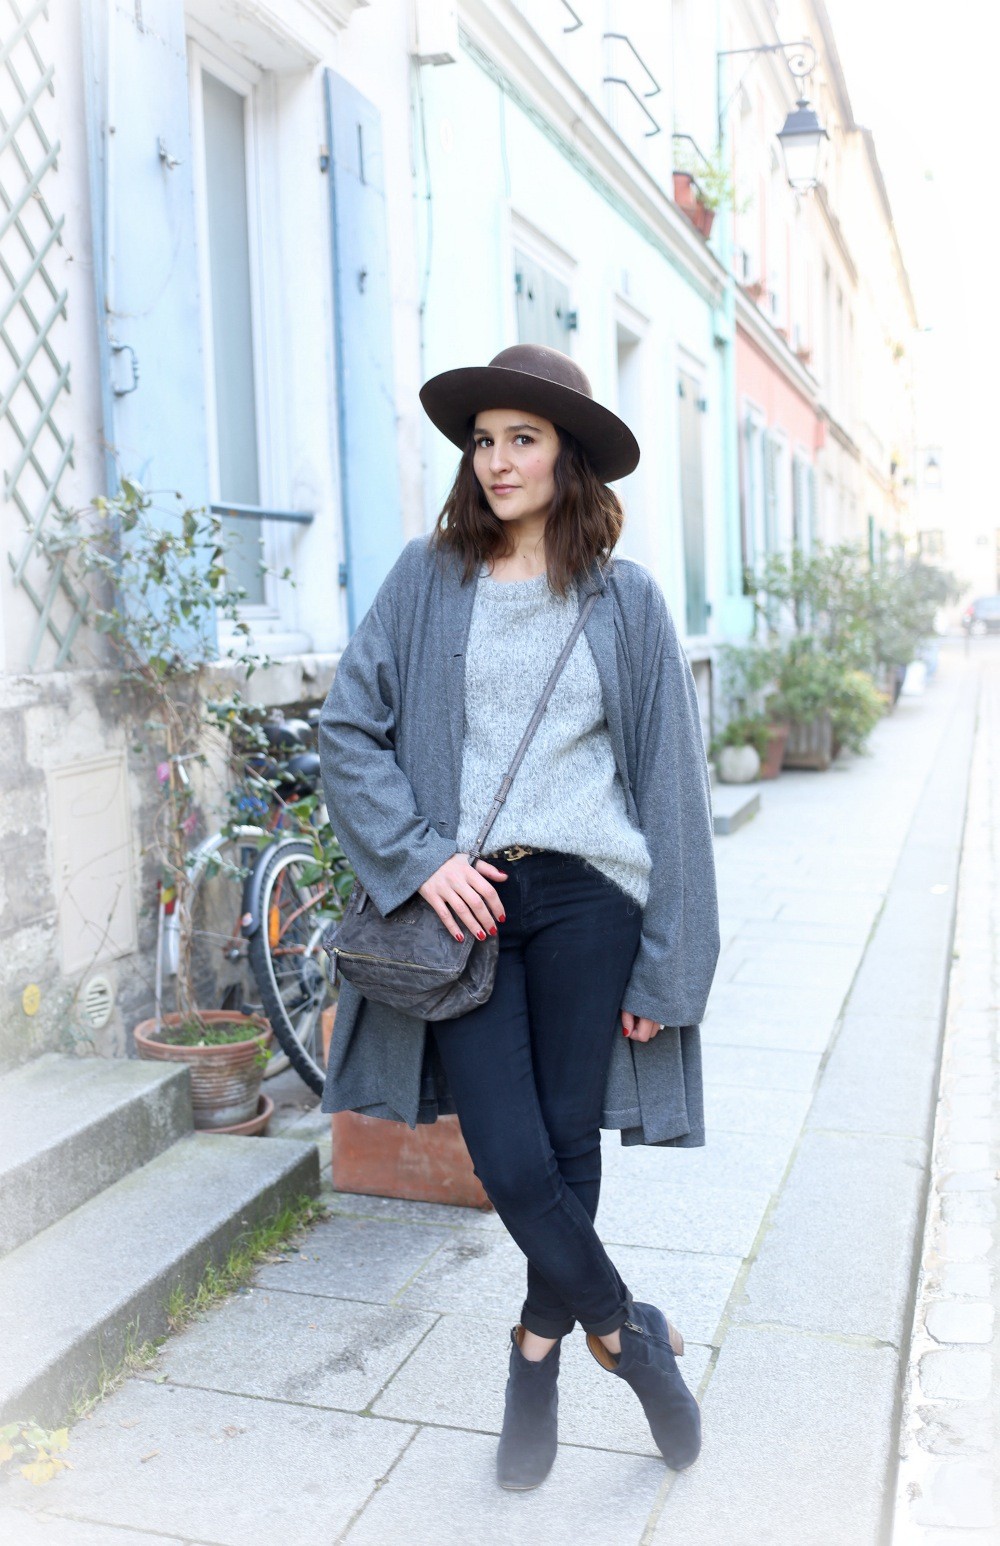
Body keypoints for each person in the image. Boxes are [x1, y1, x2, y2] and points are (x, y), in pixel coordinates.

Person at [318, 344, 720, 1489]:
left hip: (593, 896)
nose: (497, 460)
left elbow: (671, 787)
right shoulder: (427, 576)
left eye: (522, 439)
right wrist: (419, 860)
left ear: (566, 455)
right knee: (506, 1153)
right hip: (470, 901)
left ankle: (534, 1357)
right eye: (484, 440)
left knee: (564, 1142)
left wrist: (667, 967)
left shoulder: (625, 601)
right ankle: (629, 1336)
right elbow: (346, 730)